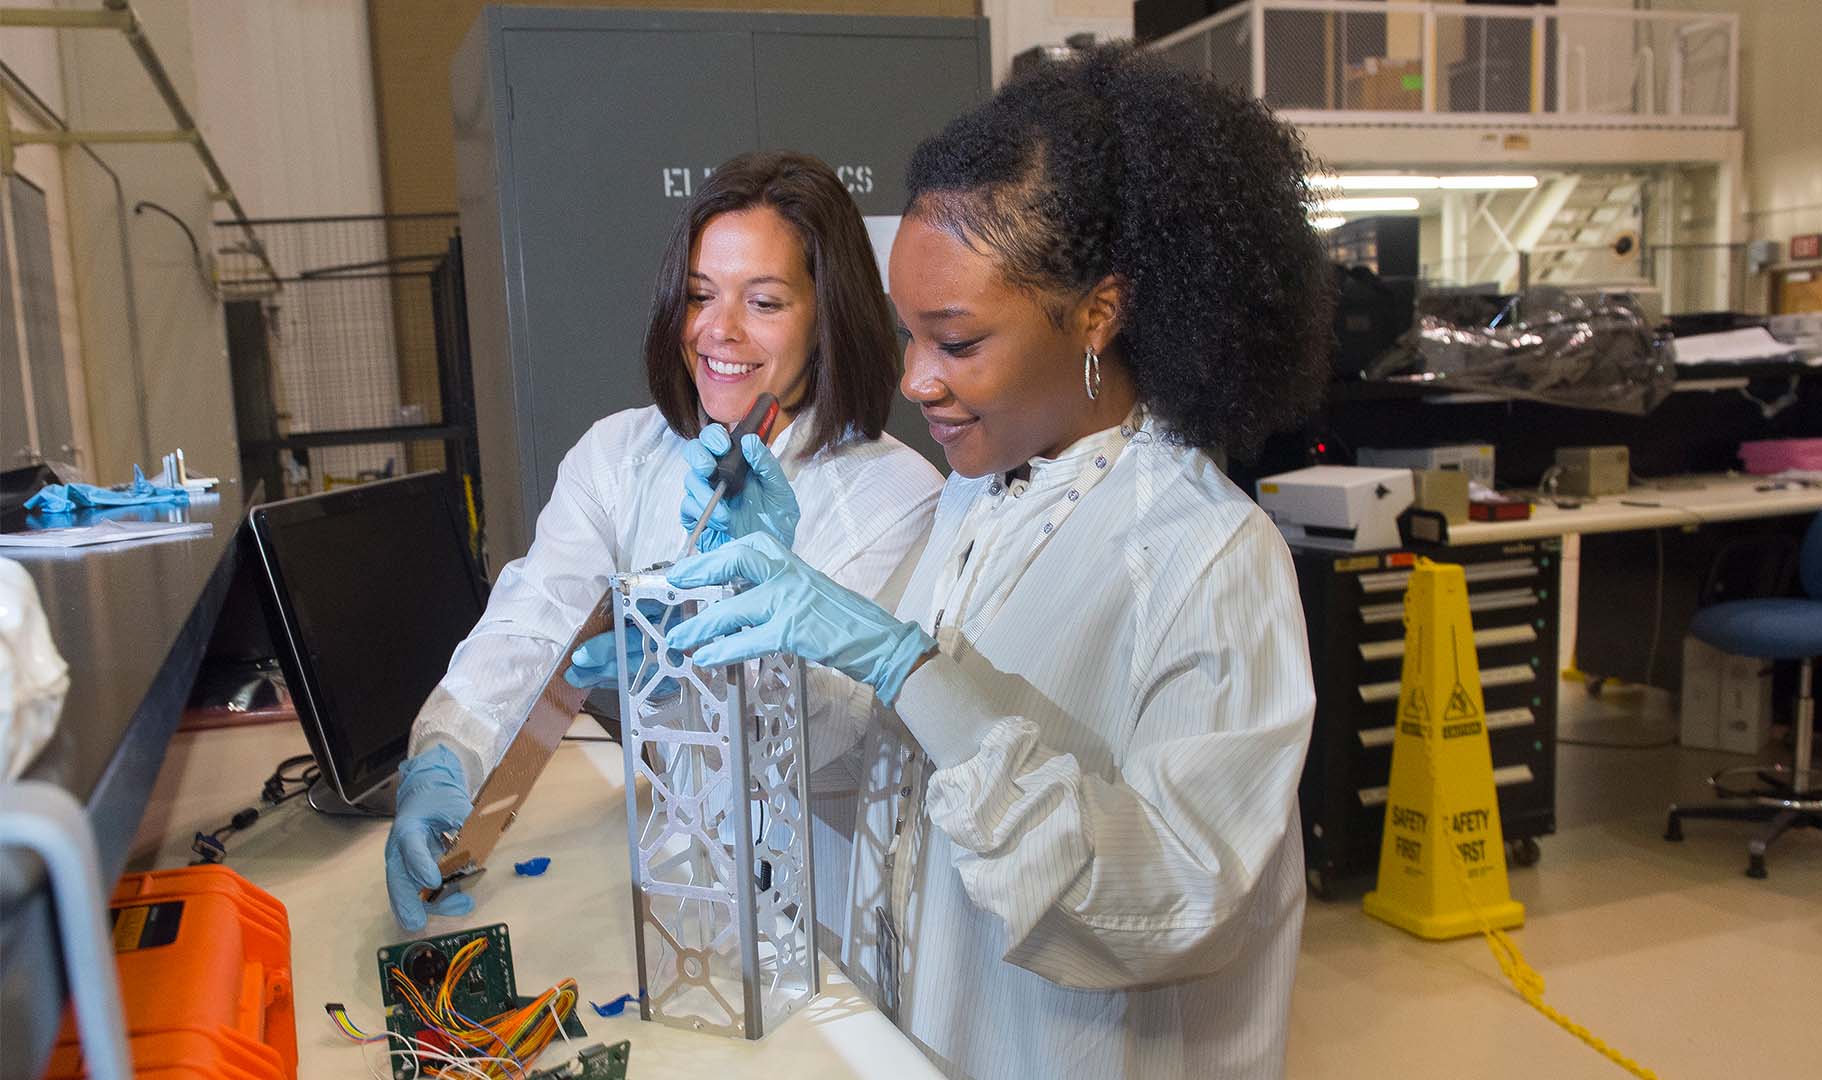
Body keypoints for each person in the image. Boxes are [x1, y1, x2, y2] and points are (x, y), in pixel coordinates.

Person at [663, 45, 1333, 1079]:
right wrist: (786, 601)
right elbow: (896, 771)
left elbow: (1173, 904)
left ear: (1097, 315)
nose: (916, 380)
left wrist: (913, 667)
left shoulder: (1203, 555)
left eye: (958, 341)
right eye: (907, 335)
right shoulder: (988, 489)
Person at [384, 151, 944, 933]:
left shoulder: (896, 493)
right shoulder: (620, 457)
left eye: (766, 302)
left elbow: (842, 733)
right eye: (700, 295)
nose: (720, 330)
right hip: (673, 887)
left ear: (828, 314)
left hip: (825, 915)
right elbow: (534, 618)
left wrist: (681, 675)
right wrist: (449, 754)